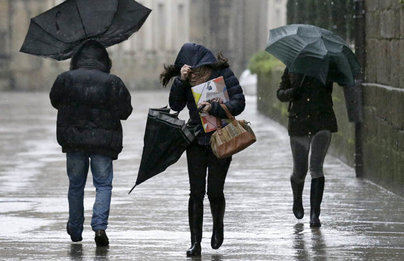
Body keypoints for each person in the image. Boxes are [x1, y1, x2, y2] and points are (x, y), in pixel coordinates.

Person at [161, 43, 245, 256]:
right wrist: (180, 81)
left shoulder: (222, 73)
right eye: (189, 70)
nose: (194, 73)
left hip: (221, 138)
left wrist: (214, 108)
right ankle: (195, 242)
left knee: (214, 191)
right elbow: (175, 105)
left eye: (196, 69)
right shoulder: (185, 80)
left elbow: (239, 102)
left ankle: (218, 228)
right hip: (197, 139)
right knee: (195, 192)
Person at [50, 40, 132, 246]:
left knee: (76, 185)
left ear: (77, 58)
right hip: (103, 142)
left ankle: (75, 229)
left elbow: (55, 101)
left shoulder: (65, 79)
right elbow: (125, 111)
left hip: (74, 140)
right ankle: (99, 227)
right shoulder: (112, 82)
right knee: (103, 184)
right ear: (104, 60)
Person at [277, 67, 338, 228]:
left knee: (316, 168)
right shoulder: (293, 65)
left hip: (322, 122)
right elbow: (280, 93)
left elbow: (337, 83)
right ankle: (297, 199)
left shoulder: (327, 66)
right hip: (299, 123)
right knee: (300, 170)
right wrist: (292, 92)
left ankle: (315, 214)